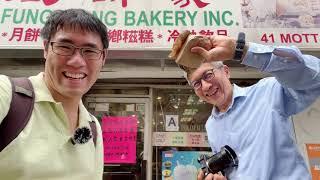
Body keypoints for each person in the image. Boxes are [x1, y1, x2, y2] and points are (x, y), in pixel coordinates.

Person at [173, 33, 320, 180]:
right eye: (197, 83)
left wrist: (242, 51)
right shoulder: (211, 126)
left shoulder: (267, 92)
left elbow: (314, 77)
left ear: (226, 71)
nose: (205, 86)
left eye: (208, 75)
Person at [0, 9, 108, 179]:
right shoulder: (6, 94)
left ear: (103, 57)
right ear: (45, 48)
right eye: (65, 47)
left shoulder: (92, 127)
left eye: (89, 51)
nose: (77, 62)